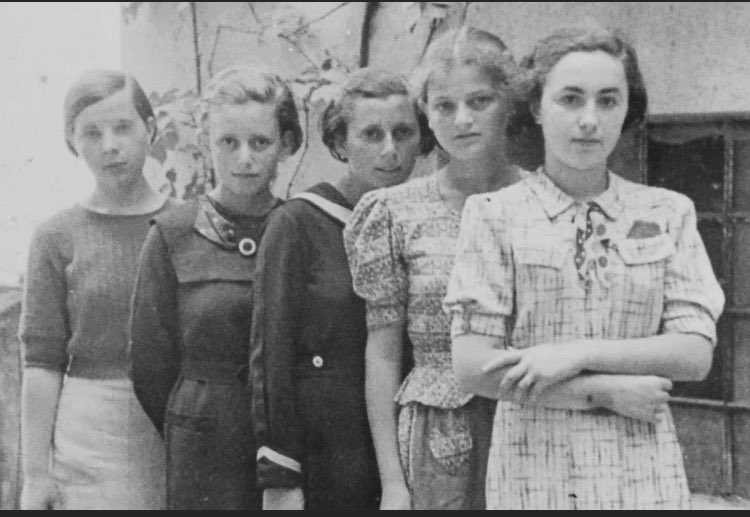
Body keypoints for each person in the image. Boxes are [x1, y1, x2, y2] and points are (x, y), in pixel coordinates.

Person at [443, 24, 725, 510]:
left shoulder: (667, 211)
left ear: (626, 110)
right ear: (537, 106)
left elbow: (694, 352)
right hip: (533, 474)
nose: (589, 120)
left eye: (608, 101)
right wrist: (602, 392)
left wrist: (574, 353)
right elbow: (473, 366)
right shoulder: (493, 214)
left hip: (644, 474)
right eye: (570, 99)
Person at [344, 28, 526, 510]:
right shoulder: (394, 211)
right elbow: (383, 354)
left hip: (534, 423)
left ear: (508, 101)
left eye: (480, 101)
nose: (462, 120)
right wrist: (393, 483)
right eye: (444, 105)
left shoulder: (544, 203)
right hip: (437, 444)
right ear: (426, 110)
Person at [249, 66, 431, 511]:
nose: (390, 150)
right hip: (327, 454)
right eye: (371, 134)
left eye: (403, 133)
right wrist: (282, 476)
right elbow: (270, 357)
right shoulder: (298, 223)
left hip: (411, 445)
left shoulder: (428, 222)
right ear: (339, 142)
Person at [128, 66, 300, 510]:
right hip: (203, 440)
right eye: (228, 142)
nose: (244, 158)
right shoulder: (172, 233)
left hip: (287, 440)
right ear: (207, 142)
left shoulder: (301, 230)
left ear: (284, 144)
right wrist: (196, 411)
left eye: (260, 142)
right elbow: (149, 362)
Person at [18, 70, 171, 510]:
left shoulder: (185, 226)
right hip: (89, 437)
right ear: (72, 141)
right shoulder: (55, 236)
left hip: (174, 427)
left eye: (122, 127)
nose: (109, 145)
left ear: (150, 128)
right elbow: (42, 362)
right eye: (91, 133)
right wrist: (35, 477)